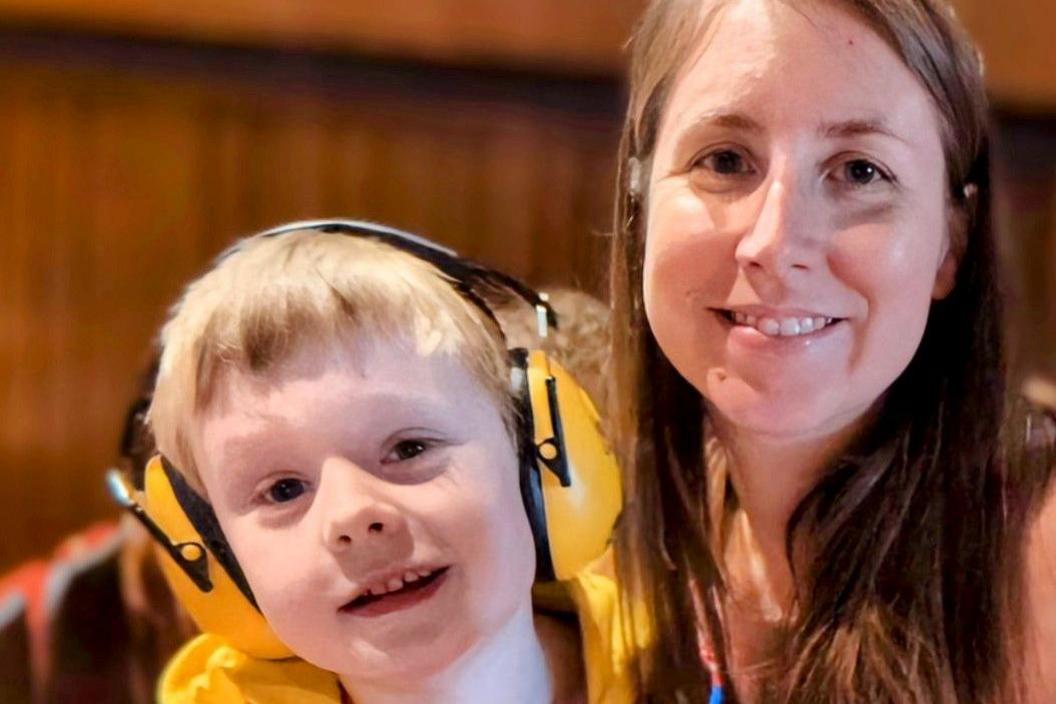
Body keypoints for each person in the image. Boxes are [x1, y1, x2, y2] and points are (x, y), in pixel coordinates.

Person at [607, 0, 1056, 702]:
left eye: (860, 172)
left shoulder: (1037, 551)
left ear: (951, 243)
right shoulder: (579, 508)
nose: (776, 246)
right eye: (725, 161)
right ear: (640, 207)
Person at [138, 222, 630, 703]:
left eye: (409, 449)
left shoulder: (686, 661)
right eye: (284, 490)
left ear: (536, 459)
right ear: (218, 556)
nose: (353, 514)